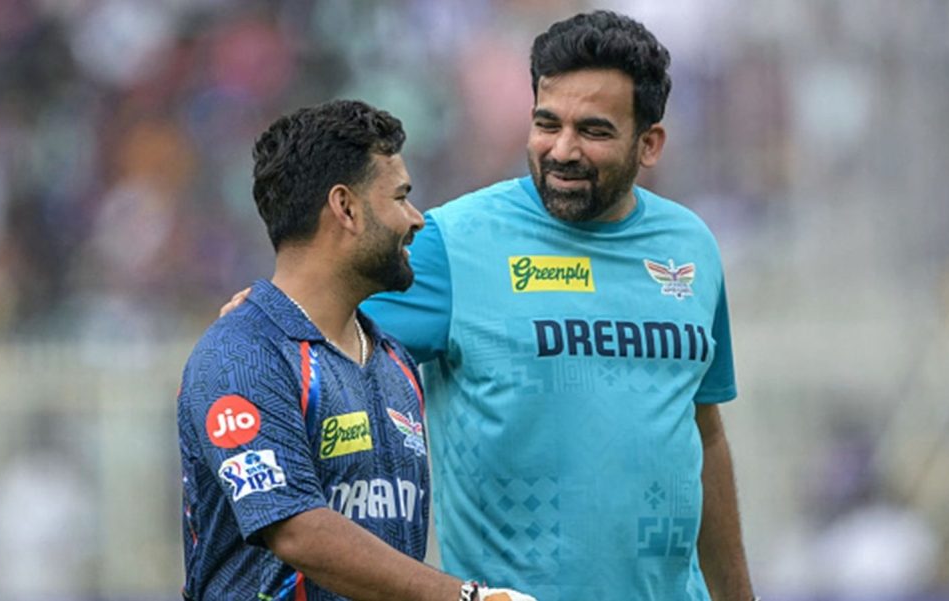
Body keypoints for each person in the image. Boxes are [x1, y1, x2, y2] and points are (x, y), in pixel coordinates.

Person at [224, 11, 756, 601]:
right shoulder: (453, 244)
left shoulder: (690, 247)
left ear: (649, 143)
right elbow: (304, 330)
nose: (563, 150)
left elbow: (704, 433)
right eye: (547, 123)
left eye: (594, 131)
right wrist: (263, 317)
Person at [180, 99, 535, 601]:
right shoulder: (240, 354)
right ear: (345, 208)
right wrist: (466, 598)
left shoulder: (395, 362)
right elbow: (296, 530)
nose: (416, 219)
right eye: (401, 197)